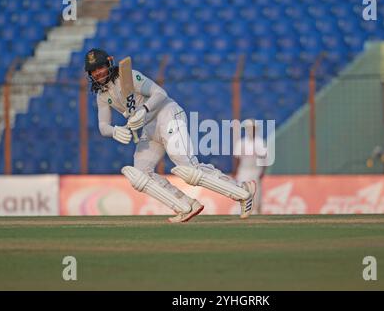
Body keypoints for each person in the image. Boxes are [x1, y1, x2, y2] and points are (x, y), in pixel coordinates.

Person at [84, 48, 256, 222]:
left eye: (100, 67)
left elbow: (160, 93)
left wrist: (143, 110)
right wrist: (114, 131)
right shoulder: (102, 95)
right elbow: (103, 125)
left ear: (109, 64)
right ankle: (186, 205)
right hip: (149, 129)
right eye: (94, 70)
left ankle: (242, 190)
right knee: (140, 174)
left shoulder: (129, 76)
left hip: (167, 114)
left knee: (188, 168)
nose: (98, 72)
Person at [233, 119, 267, 214]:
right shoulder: (241, 143)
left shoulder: (260, 142)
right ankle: (242, 209)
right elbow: (237, 159)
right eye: (248, 128)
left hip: (255, 170)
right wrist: (235, 171)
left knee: (256, 192)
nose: (250, 130)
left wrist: (262, 172)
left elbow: (264, 159)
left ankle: (256, 210)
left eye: (252, 128)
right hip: (243, 170)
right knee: (242, 189)